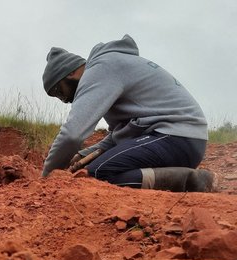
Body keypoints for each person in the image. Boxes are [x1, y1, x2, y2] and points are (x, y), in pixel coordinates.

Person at [41, 34, 216, 192]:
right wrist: (84, 154)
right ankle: (178, 175)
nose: (65, 100)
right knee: (94, 167)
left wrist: (46, 177)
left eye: (58, 91)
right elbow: (121, 132)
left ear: (71, 73)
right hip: (181, 139)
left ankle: (188, 181)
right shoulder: (109, 69)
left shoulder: (100, 70)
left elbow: (72, 135)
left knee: (98, 173)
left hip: (176, 136)